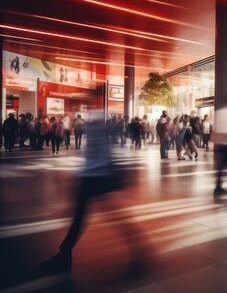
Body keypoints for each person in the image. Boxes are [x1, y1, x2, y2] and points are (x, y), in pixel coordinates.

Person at [39, 108, 152, 274]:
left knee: (85, 218)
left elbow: (101, 152)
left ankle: (64, 255)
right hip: (96, 176)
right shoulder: (97, 122)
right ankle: (142, 251)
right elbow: (100, 151)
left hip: (95, 177)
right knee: (109, 216)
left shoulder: (97, 123)